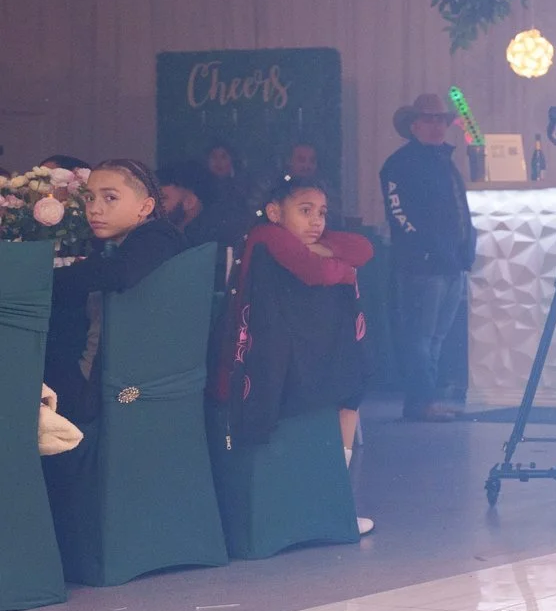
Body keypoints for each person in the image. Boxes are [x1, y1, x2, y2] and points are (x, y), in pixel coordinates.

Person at [213, 175, 375, 536]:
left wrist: (327, 248)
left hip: (289, 354)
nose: (316, 221)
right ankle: (337, 504)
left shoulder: (308, 238)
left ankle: (338, 500)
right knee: (351, 377)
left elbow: (365, 249)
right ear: (274, 212)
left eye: (322, 212)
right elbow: (315, 271)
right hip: (260, 361)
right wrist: (342, 267)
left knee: (351, 382)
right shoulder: (267, 236)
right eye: (305, 211)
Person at [44, 159, 187, 426]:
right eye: (90, 198)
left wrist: (38, 279)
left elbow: (117, 273)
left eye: (110, 198)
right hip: (103, 374)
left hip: (121, 385)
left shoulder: (158, 236)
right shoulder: (116, 243)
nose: (94, 209)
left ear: (146, 207)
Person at [379, 93, 474, 422]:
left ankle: (424, 400)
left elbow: (459, 210)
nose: (438, 126)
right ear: (413, 124)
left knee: (433, 338)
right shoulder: (400, 164)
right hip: (422, 266)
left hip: (449, 264)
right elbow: (400, 216)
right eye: (431, 119)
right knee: (421, 338)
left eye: (442, 120)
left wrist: (464, 251)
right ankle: (422, 402)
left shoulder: (442, 161)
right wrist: (431, 249)